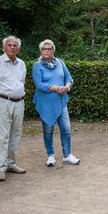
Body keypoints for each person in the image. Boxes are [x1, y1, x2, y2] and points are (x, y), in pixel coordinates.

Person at [0, 36, 27, 182]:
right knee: (3, 136)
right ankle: (0, 168)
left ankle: (11, 163)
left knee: (16, 134)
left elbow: (21, 82)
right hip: (3, 101)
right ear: (4, 47)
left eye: (15, 45)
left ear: (18, 48)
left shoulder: (21, 64)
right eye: (9, 45)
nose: (12, 47)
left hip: (19, 102)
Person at [32, 39, 80, 167]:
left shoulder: (60, 62)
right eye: (44, 49)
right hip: (46, 104)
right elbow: (39, 84)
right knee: (48, 131)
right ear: (41, 51)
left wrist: (67, 87)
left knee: (66, 129)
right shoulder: (37, 65)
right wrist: (56, 88)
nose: (47, 51)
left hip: (61, 101)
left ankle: (67, 155)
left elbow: (69, 78)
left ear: (53, 50)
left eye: (49, 49)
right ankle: (50, 156)